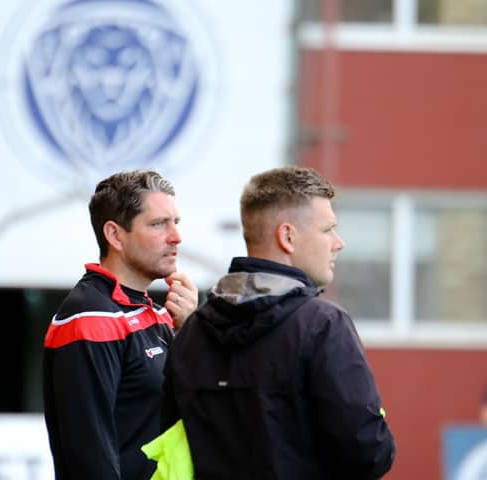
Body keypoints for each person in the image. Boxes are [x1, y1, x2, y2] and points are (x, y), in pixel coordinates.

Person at [160, 166, 396, 479]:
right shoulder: (323, 325)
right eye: (327, 230)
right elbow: (370, 453)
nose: (338, 242)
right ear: (287, 236)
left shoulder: (192, 332)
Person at [42, 170, 198, 479]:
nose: (176, 237)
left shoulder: (156, 312)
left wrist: (190, 330)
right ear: (115, 235)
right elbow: (88, 457)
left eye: (175, 223)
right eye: (158, 224)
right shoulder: (90, 316)